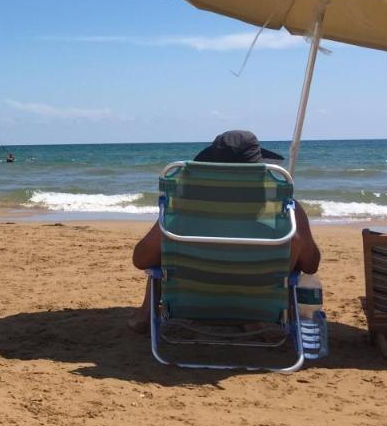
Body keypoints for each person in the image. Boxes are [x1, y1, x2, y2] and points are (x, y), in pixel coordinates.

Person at [128, 130, 321, 332]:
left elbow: (140, 259)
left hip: (195, 306)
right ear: (259, 172)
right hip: (260, 310)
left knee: (166, 256)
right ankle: (250, 318)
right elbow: (310, 265)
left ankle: (145, 316)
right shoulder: (286, 212)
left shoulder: (183, 213)